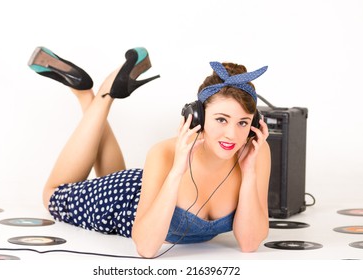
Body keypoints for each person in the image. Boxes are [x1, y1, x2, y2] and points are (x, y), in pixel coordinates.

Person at [28, 46, 271, 258]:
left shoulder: (255, 151)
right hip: (120, 200)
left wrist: (249, 172)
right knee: (52, 195)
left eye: (243, 122)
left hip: (146, 187)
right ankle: (94, 95)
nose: (232, 135)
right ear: (197, 116)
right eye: (221, 119)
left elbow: (249, 244)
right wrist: (178, 170)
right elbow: (146, 248)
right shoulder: (165, 153)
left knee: (113, 172)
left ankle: (93, 97)